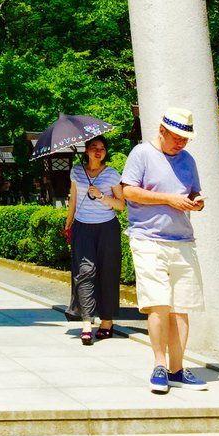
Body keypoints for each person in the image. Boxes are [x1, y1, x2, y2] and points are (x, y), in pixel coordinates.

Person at [120, 107, 207, 394]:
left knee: (181, 309)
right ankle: (159, 365)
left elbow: (193, 192)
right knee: (158, 304)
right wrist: (168, 199)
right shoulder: (142, 154)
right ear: (162, 131)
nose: (181, 143)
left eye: (185, 138)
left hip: (182, 240)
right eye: (177, 137)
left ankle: (178, 369)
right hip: (148, 239)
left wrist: (197, 200)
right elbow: (128, 191)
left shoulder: (188, 160)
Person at [64, 135, 124, 344]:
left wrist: (101, 196)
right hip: (82, 227)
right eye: (93, 147)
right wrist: (68, 222)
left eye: (102, 148)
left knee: (108, 272)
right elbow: (73, 198)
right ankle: (87, 322)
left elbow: (121, 205)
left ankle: (107, 321)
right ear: (86, 151)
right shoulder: (76, 171)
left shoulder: (112, 174)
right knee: (85, 272)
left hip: (107, 227)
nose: (98, 151)